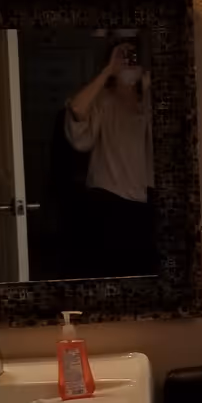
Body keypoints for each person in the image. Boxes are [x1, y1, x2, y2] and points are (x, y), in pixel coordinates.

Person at [64, 41, 157, 276]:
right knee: (113, 271)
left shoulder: (149, 98)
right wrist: (107, 72)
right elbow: (76, 109)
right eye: (122, 56)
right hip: (110, 199)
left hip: (147, 200)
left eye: (133, 55)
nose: (128, 60)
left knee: (146, 271)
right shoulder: (103, 100)